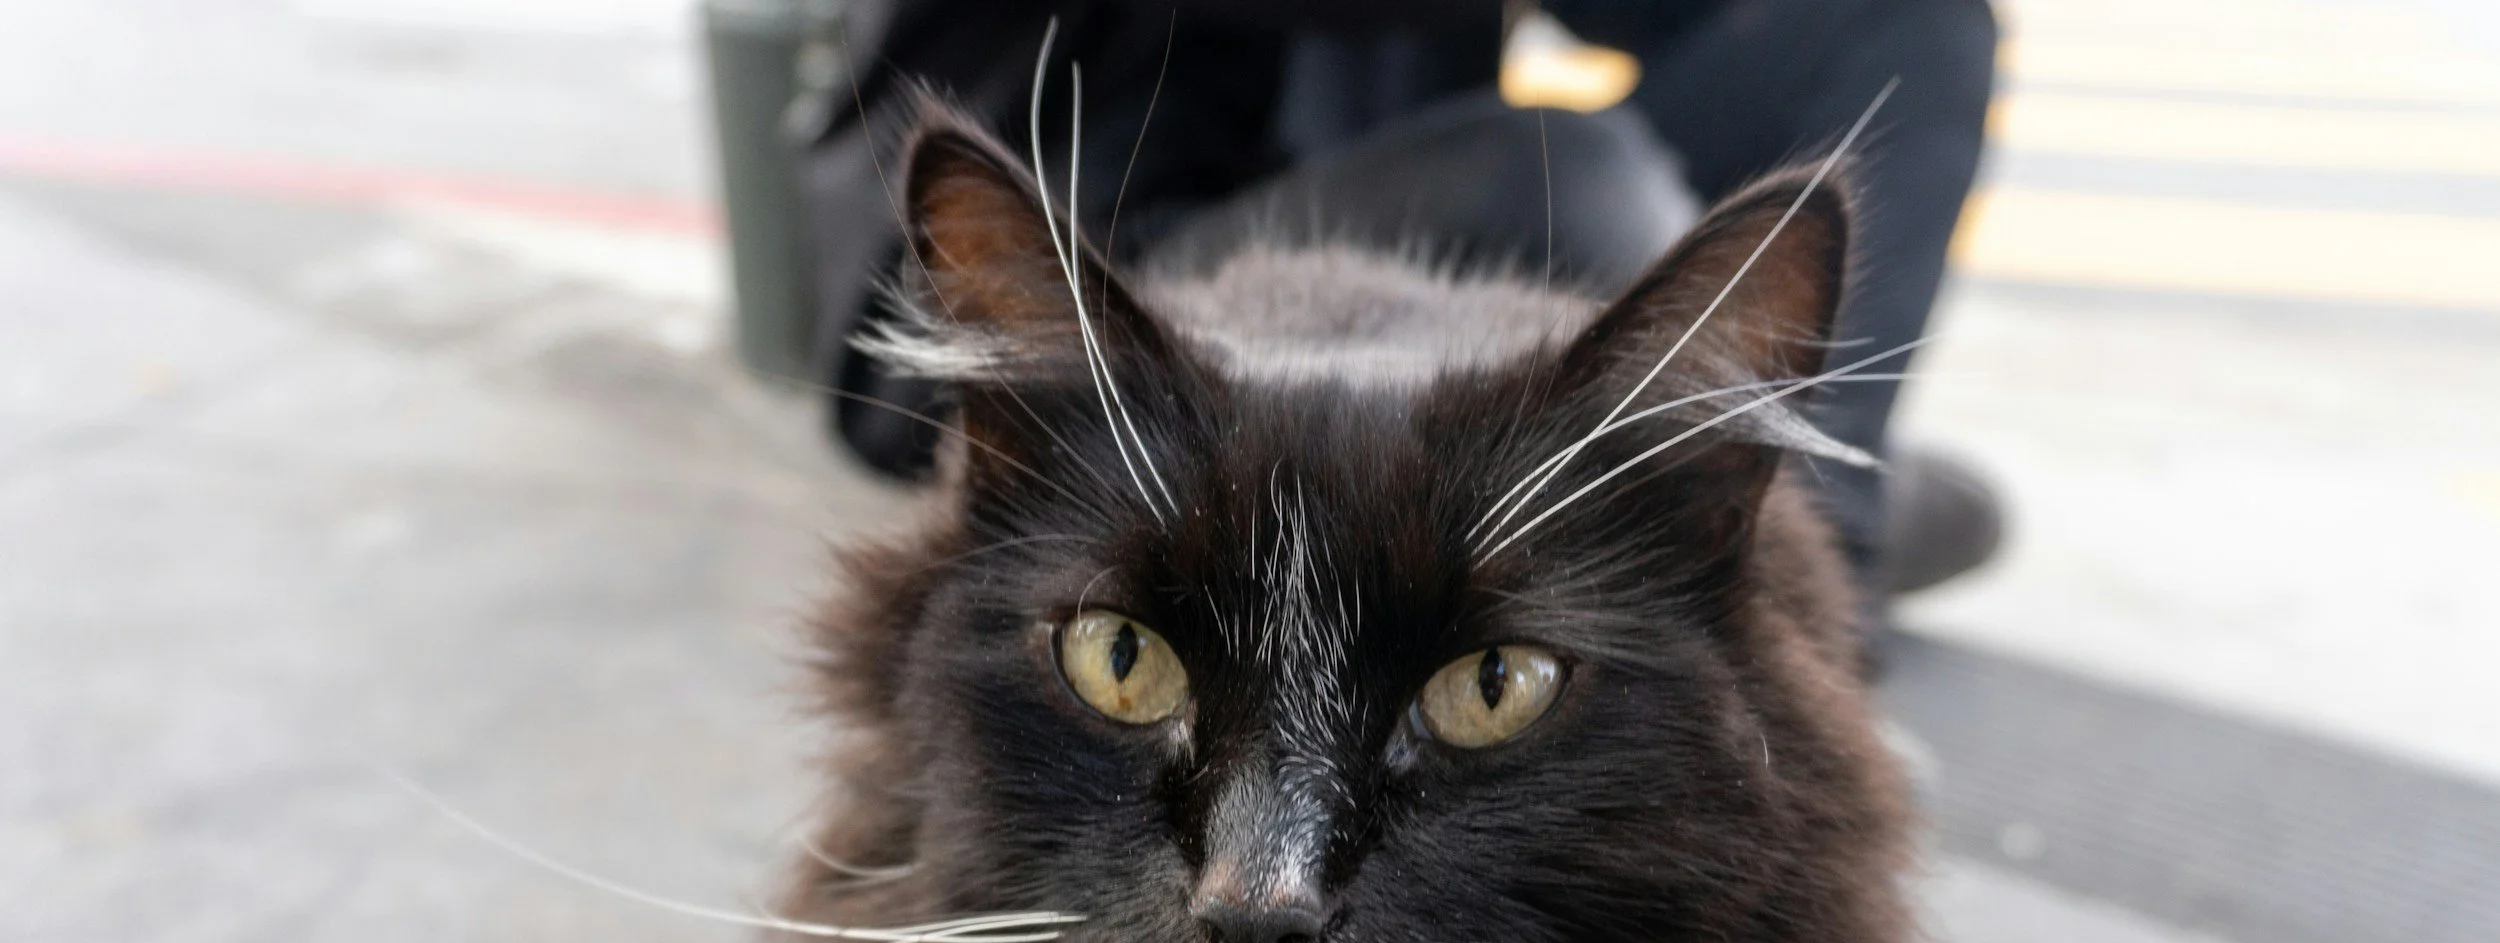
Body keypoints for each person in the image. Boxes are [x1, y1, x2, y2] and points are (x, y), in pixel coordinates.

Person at [799, 0, 2006, 617]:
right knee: (1569, 182)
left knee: (1900, 17)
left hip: (1373, 296)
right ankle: (1757, 497)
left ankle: (1812, 563)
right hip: (1066, 287)